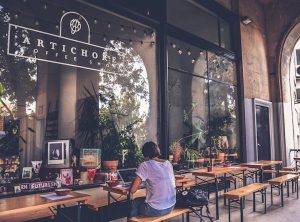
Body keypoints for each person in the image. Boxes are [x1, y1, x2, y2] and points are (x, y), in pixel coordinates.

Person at [129, 141, 176, 217]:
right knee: (147, 199)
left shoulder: (145, 165)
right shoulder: (168, 163)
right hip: (171, 206)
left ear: (145, 154)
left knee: (135, 202)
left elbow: (132, 190)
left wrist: (135, 180)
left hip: (156, 210)